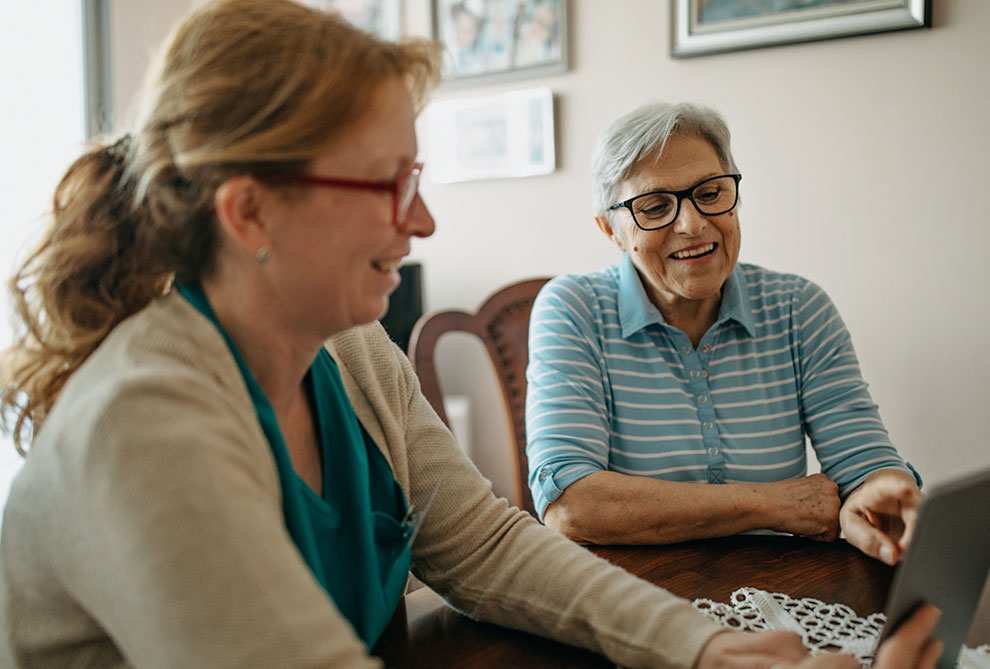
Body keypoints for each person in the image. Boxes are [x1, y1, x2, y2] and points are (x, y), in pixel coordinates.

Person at [0, 2, 938, 667]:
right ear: (251, 214)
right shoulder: (142, 421)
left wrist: (708, 647)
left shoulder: (351, 350)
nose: (426, 224)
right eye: (390, 185)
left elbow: (487, 547)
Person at [526, 101, 923, 566]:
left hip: (783, 588)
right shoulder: (573, 308)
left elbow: (864, 463)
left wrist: (883, 492)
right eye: (654, 206)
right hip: (632, 599)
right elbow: (572, 505)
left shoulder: (798, 308)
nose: (692, 224)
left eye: (711, 193)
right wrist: (777, 504)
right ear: (611, 230)